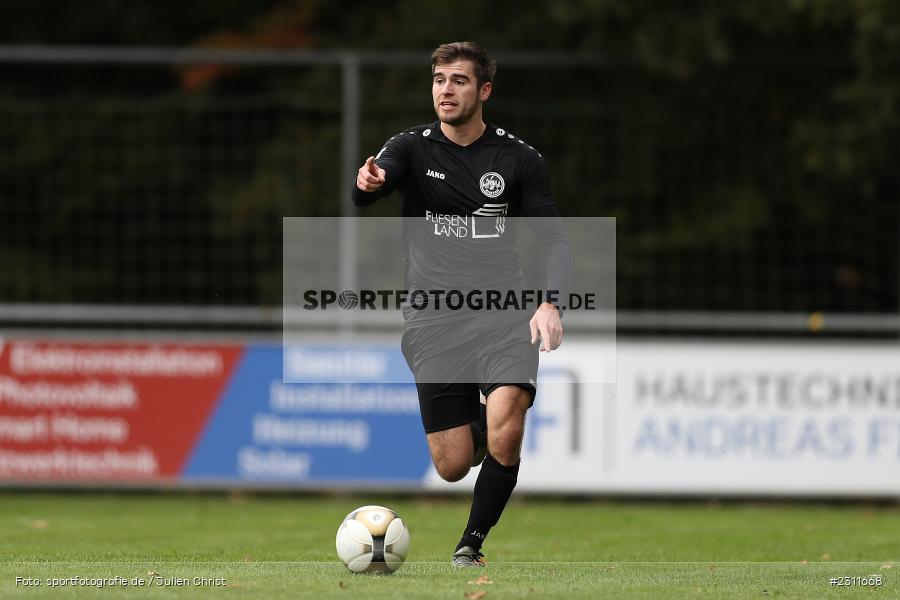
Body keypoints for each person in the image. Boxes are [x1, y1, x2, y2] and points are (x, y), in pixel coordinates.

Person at [352, 41, 571, 567]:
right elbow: (369, 189)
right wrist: (368, 183)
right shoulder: (410, 147)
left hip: (503, 315)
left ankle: (469, 544)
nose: (445, 90)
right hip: (433, 321)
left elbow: (556, 241)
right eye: (438, 80)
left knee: (508, 420)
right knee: (451, 464)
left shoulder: (519, 160)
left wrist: (550, 303)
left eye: (459, 81)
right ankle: (491, 431)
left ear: (484, 90)